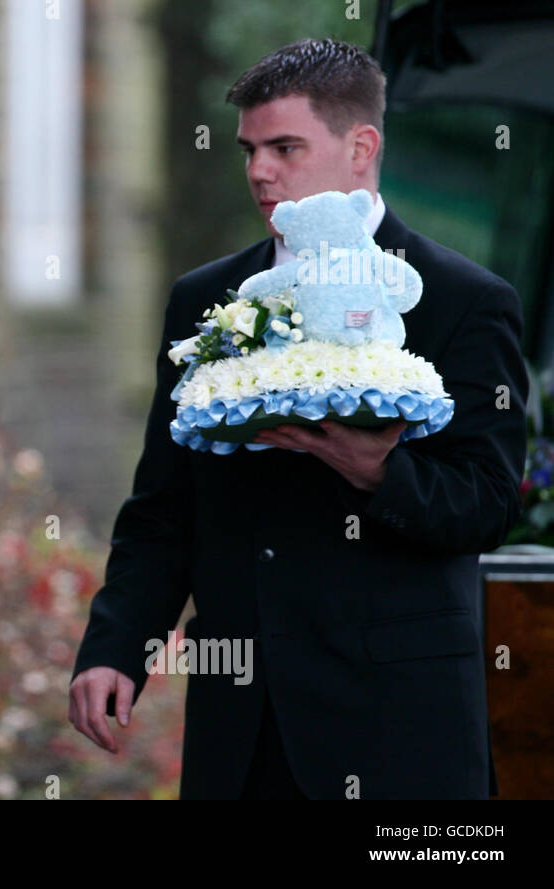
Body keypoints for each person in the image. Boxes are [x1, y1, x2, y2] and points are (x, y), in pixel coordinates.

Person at [68, 38, 527, 799]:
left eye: (284, 146)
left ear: (361, 148)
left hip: (397, 734)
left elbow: (488, 503)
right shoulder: (203, 301)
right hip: (241, 729)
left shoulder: (463, 300)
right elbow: (163, 506)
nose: (258, 170)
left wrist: (382, 470)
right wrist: (116, 645)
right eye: (249, 149)